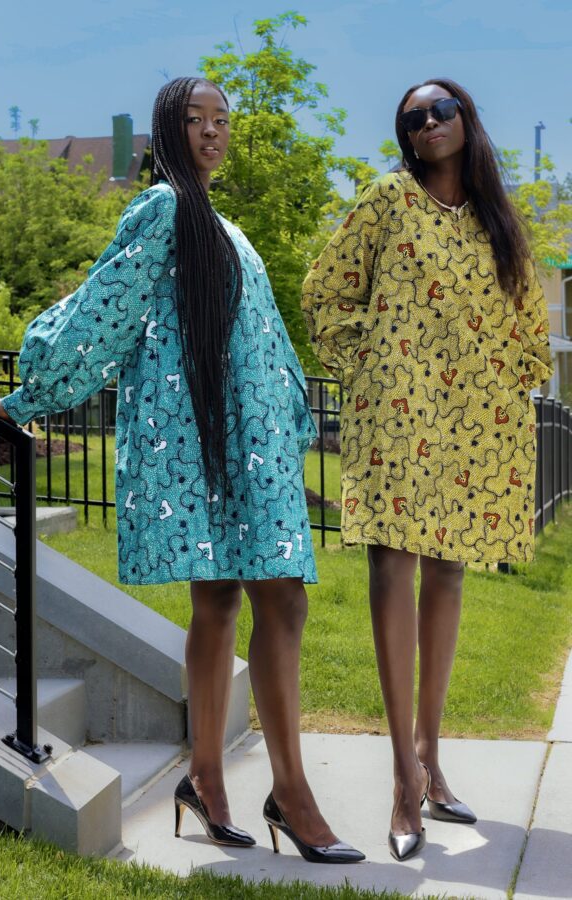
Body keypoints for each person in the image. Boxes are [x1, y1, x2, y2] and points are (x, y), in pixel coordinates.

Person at [0, 77, 364, 864]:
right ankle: (281, 792)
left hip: (250, 448)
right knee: (253, 600)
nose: (212, 133)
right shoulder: (162, 211)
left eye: (223, 121)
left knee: (250, 602)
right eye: (196, 120)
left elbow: (269, 340)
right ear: (166, 130)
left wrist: (294, 424)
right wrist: (29, 395)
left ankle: (210, 781)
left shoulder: (228, 227)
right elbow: (103, 310)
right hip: (202, 444)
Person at [302, 77, 553, 861]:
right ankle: (402, 784)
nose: (430, 122)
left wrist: (511, 379)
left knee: (449, 575)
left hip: (474, 425)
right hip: (397, 417)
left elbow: (529, 323)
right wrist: (368, 359)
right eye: (413, 117)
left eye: (442, 109)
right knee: (394, 567)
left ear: (466, 120)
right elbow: (323, 292)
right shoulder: (386, 202)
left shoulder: (497, 221)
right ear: (406, 137)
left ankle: (432, 759)